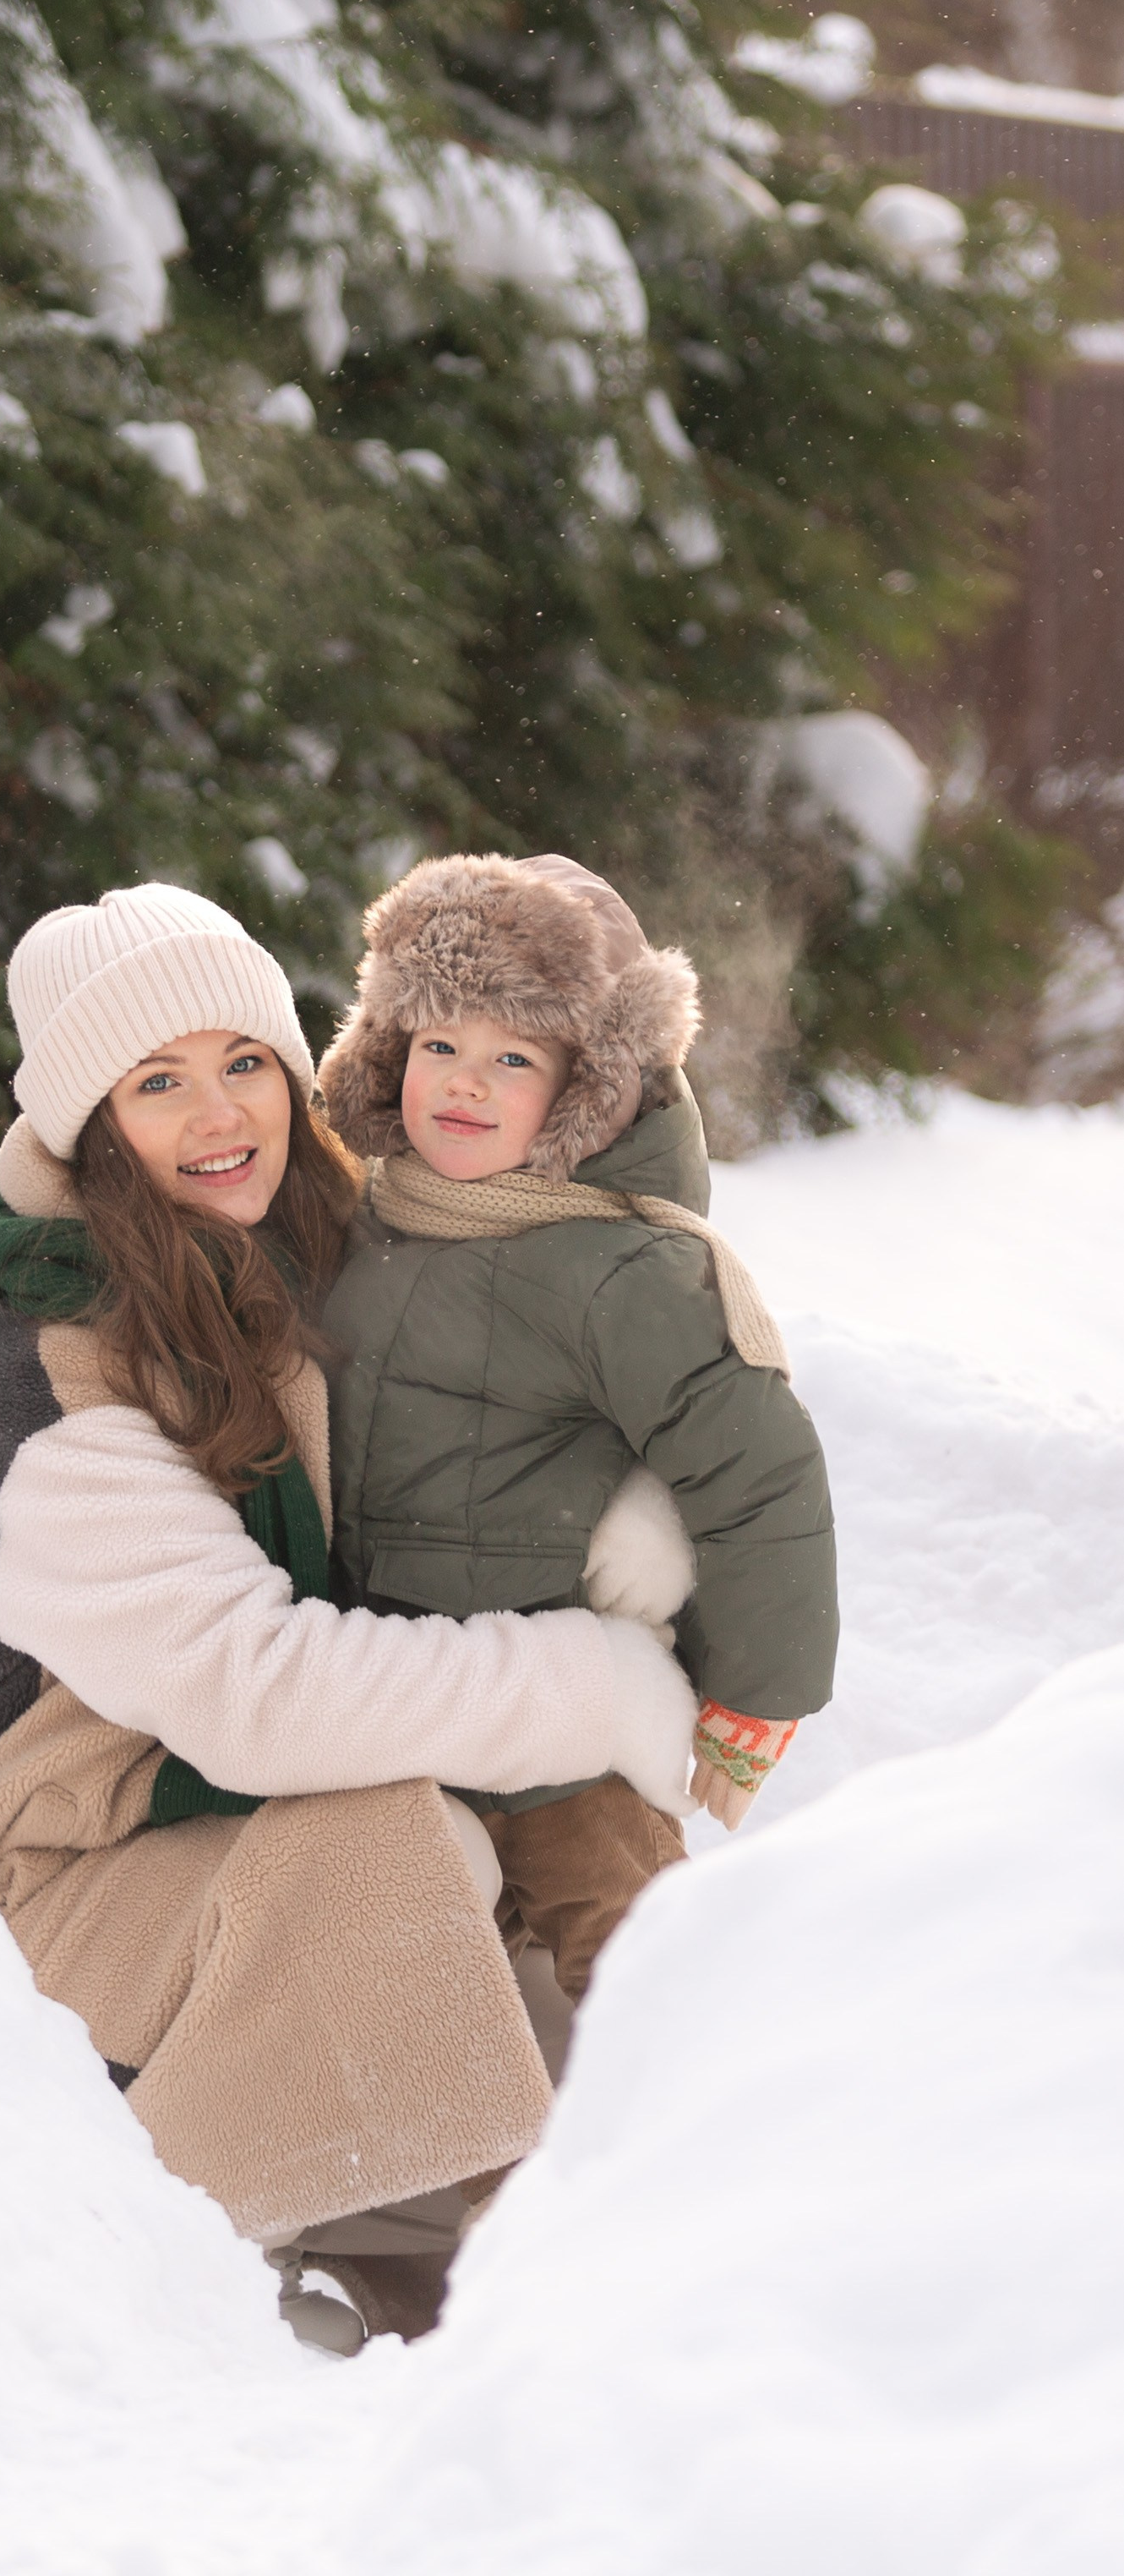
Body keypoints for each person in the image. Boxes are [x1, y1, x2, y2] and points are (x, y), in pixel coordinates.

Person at [0, 882, 697, 2349]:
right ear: (88, 1125)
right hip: (39, 1889)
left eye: (241, 1059)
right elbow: (259, 1692)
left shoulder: (312, 1255)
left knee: (564, 1834)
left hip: (205, 1827)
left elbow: (581, 1244)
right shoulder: (52, 1355)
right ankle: (303, 2255)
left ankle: (676, 2189)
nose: (216, 1113)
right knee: (392, 1839)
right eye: (157, 1082)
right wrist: (588, 1682)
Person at [317, 850, 839, 2009]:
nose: (463, 1082)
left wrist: (756, 1690)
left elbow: (755, 1471)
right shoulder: (364, 1209)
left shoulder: (622, 1265)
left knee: (625, 1933)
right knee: (391, 1946)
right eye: (438, 1045)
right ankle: (431, 2133)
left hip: (561, 1704)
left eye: (514, 1058)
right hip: (385, 1676)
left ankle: (674, 2130)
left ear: (589, 1086)